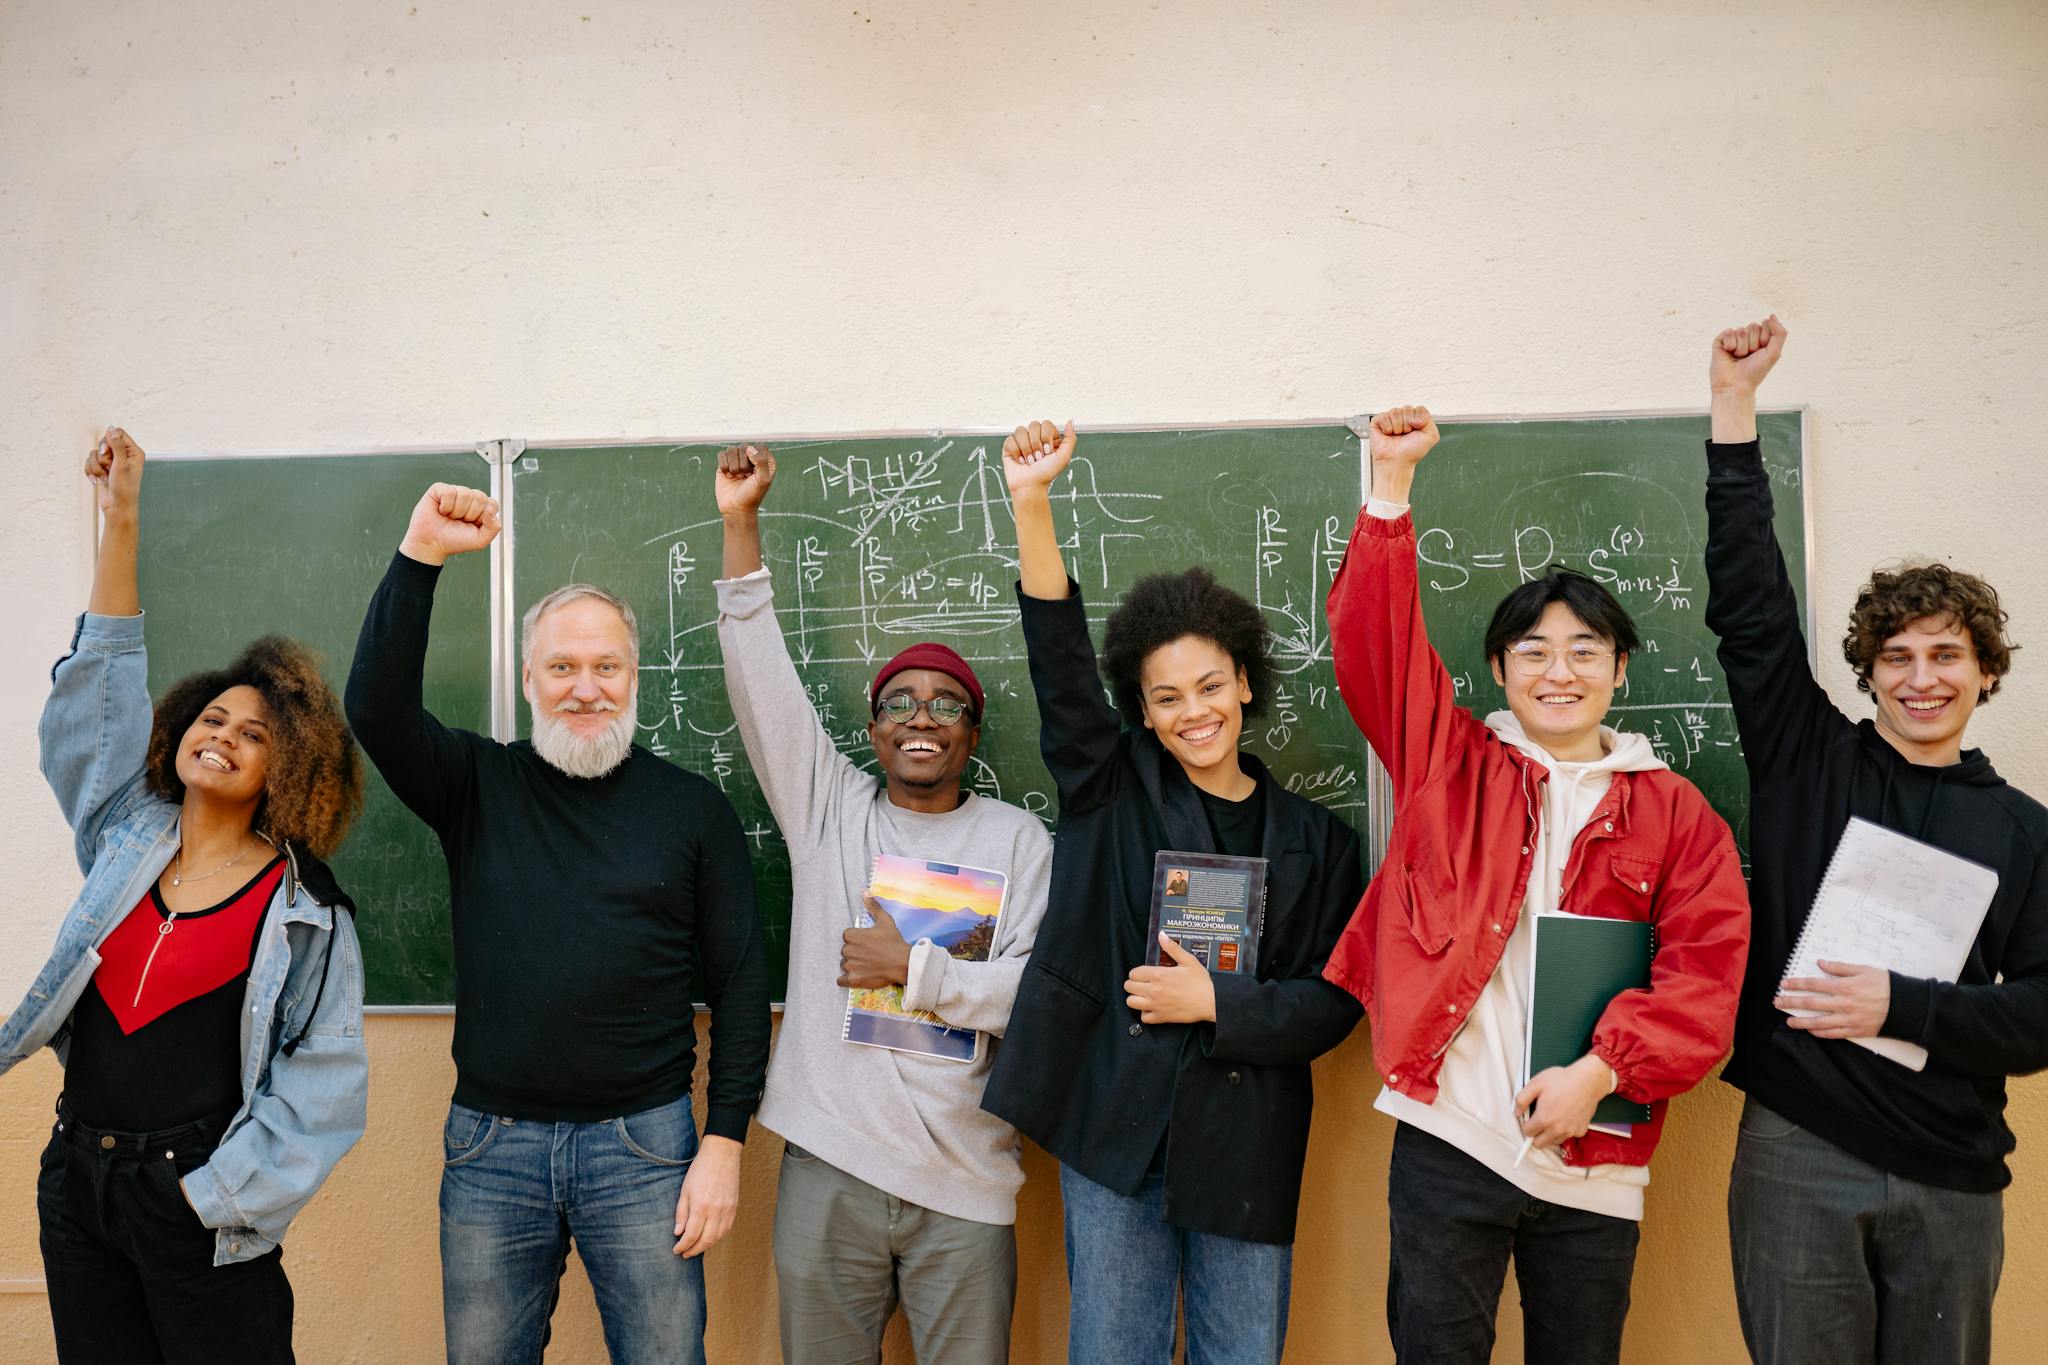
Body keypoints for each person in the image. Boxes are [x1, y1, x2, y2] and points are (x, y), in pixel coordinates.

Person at [1320, 407, 1751, 1365]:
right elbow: (1372, 649)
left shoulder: (1677, 814)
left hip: (1596, 1158)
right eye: (1534, 654)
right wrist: (1388, 487)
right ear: (1499, 670)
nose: (1560, 673)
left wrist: (1600, 1073)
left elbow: (1705, 982)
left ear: (1621, 667)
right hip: (1449, 1138)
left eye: (1585, 652)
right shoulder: (1452, 764)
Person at [344, 481, 770, 1365]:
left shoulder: (693, 811)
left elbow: (739, 986)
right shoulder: (476, 785)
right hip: (492, 1146)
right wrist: (420, 555)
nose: (586, 689)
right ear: (530, 678)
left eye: (606, 666)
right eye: (564, 668)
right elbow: (376, 710)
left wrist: (725, 1140)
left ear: (634, 675)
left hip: (646, 1147)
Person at [979, 420, 1365, 1365]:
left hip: (1245, 1144)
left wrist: (1217, 1003)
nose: (1193, 712)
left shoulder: (1321, 842)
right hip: (1115, 1125)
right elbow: (1060, 667)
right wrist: (1032, 501)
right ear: (1142, 711)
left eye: (1209, 686)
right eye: (1165, 698)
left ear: (1244, 681)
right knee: (1114, 1350)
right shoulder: (1112, 788)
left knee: (1243, 1352)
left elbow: (1335, 1000)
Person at [1703, 317, 2048, 1365]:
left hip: (1951, 1171)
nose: (1919, 678)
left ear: (1984, 672)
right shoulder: (1809, 762)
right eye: (1892, 657)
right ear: (1866, 675)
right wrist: (1730, 409)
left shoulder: (2023, 832)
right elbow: (1750, 612)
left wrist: (1900, 1006)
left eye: (1945, 655)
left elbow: (2040, 1015)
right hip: (1797, 1149)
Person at [1, 428, 368, 1363]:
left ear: (290, 770)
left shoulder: (306, 911)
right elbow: (101, 690)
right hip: (78, 1182)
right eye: (213, 716)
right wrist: (120, 514)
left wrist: (211, 1197)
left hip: (198, 1199)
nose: (224, 735)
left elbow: (323, 1088)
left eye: (254, 733)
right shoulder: (123, 836)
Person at [711, 443, 1053, 1364]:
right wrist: (742, 522)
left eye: (946, 704)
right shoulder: (831, 814)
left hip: (967, 1181)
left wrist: (916, 967)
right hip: (834, 1165)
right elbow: (762, 682)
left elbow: (1036, 995)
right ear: (873, 730)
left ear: (971, 734)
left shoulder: (1020, 842)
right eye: (900, 701)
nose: (921, 716)